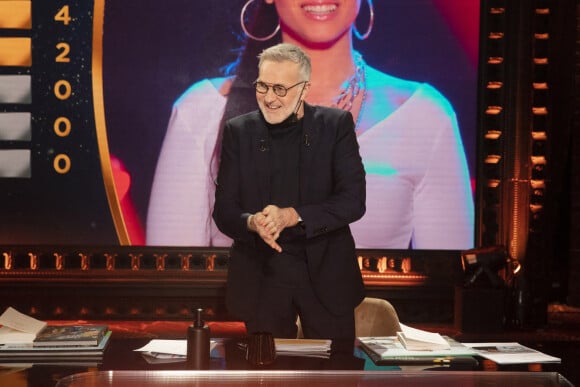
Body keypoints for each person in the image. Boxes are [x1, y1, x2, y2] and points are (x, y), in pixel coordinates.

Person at [146, 0, 474, 249]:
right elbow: (171, 290)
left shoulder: (425, 117)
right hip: (245, 339)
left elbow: (448, 296)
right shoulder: (201, 111)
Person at [212, 43, 366, 339]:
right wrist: (252, 222)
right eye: (263, 86)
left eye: (280, 89)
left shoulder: (335, 127)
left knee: (335, 376)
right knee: (265, 379)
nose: (269, 98)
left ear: (304, 89)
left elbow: (353, 201)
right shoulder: (239, 132)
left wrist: (293, 216)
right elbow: (224, 210)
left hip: (325, 276)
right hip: (262, 279)